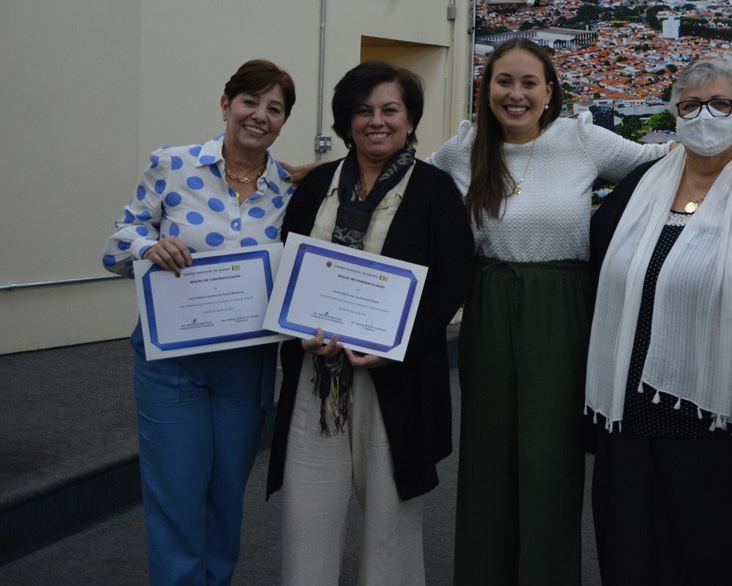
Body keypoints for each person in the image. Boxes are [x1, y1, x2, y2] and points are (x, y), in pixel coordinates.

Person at [430, 38, 670, 585]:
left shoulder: (580, 139)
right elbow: (405, 184)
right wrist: (325, 174)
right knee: (488, 454)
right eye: (504, 81)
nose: (515, 94)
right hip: (489, 306)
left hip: (562, 311)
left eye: (528, 83)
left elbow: (658, 161)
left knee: (550, 457)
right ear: (486, 88)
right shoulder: (464, 148)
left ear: (549, 91)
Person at [586, 59, 732, 584]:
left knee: (711, 554)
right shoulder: (642, 182)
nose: (706, 116)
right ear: (675, 114)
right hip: (628, 410)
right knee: (631, 547)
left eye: (721, 104)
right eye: (691, 105)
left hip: (720, 419)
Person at [265, 61, 473, 585]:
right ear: (346, 121)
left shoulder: (435, 189)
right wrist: (299, 329)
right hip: (316, 379)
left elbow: (454, 280)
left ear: (410, 119)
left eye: (389, 110)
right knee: (306, 520)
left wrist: (398, 345)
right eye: (363, 111)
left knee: (390, 528)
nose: (376, 121)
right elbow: (290, 266)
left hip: (397, 379)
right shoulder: (318, 185)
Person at [103, 59, 297, 584]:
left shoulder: (289, 187)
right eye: (249, 101)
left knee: (225, 496)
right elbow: (117, 244)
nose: (260, 116)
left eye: (275, 108)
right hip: (173, 363)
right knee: (175, 494)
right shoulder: (172, 164)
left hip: (246, 366)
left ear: (284, 121)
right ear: (226, 104)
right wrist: (147, 247)